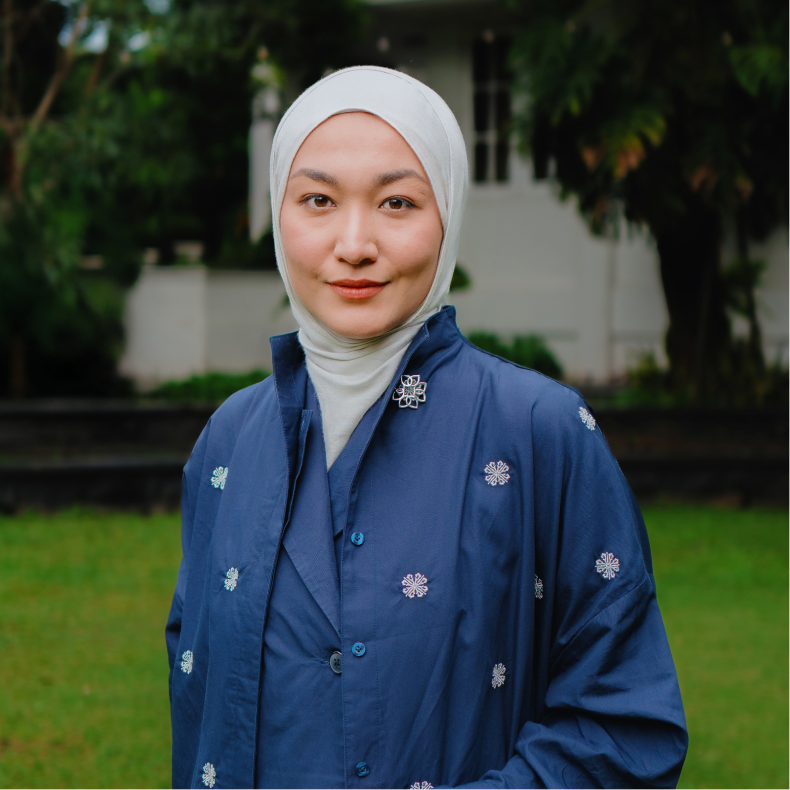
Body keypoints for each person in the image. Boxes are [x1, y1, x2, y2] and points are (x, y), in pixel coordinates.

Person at [166, 66, 687, 790]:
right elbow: (197, 693)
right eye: (318, 199)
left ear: (449, 216)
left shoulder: (539, 429)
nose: (354, 243)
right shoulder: (228, 439)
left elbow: (626, 727)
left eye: (397, 202)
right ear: (277, 214)